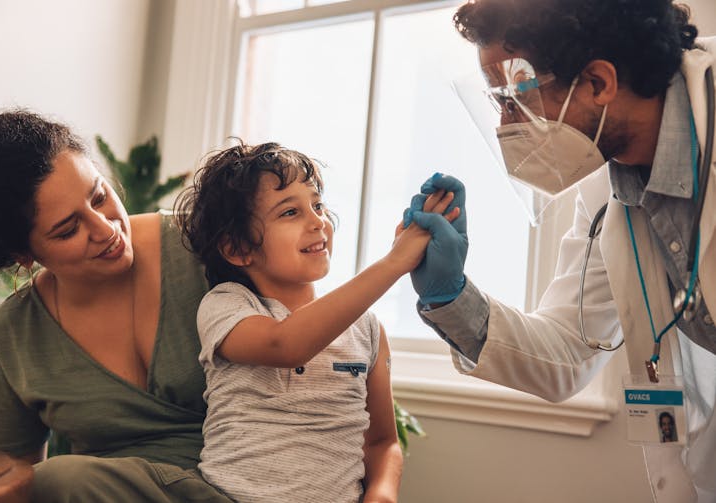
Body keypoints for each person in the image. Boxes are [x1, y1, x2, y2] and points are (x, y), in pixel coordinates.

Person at [402, 1, 716, 502]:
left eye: (515, 97)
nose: (506, 125)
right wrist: (452, 297)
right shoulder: (603, 187)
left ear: (598, 82)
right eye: (496, 102)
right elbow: (569, 353)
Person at [0, 110, 234, 502]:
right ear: (23, 253)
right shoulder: (11, 339)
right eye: (68, 229)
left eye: (99, 196)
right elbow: (5, 489)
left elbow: (338, 361)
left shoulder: (207, 246)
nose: (106, 229)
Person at [173, 140, 456, 503]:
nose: (318, 221)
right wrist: (393, 263)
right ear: (238, 249)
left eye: (318, 205)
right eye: (290, 212)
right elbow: (285, 344)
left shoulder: (367, 330)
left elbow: (383, 442)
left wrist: (382, 494)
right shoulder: (227, 305)